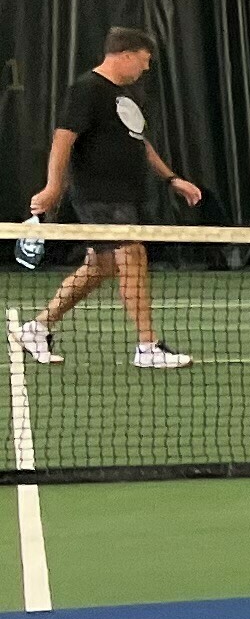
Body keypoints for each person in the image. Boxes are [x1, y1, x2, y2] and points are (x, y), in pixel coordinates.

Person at [17, 25, 205, 371]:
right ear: (126, 55)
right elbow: (62, 140)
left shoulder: (127, 95)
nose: (146, 69)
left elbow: (140, 143)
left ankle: (37, 327)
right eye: (144, 61)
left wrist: (172, 178)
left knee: (100, 267)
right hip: (98, 194)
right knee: (132, 254)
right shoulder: (86, 89)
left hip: (124, 195)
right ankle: (147, 346)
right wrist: (52, 187)